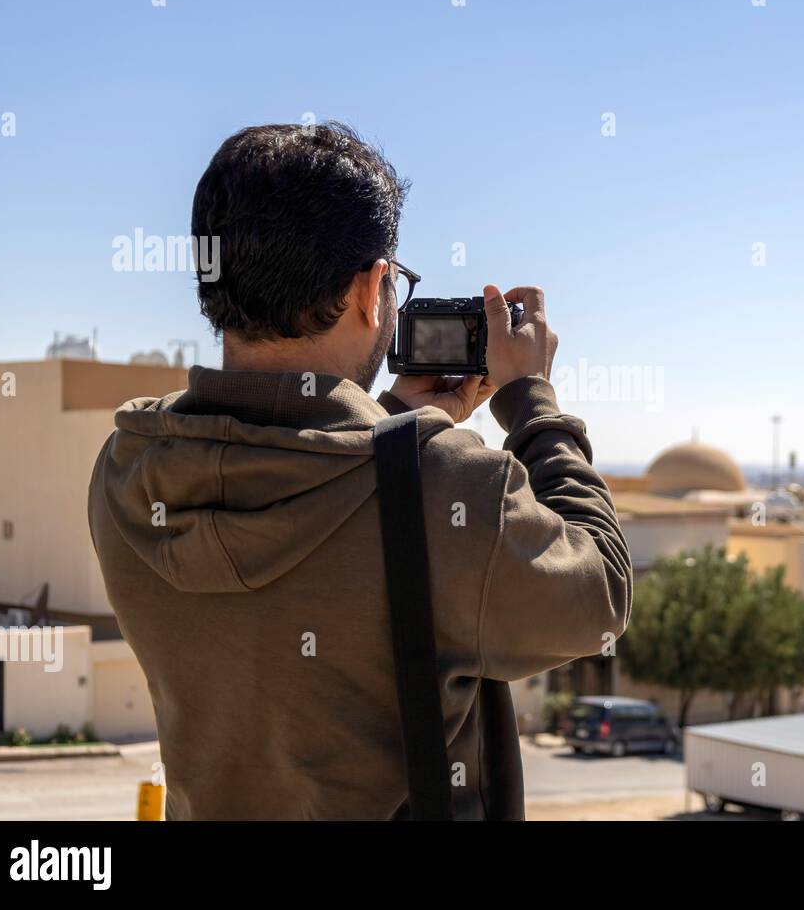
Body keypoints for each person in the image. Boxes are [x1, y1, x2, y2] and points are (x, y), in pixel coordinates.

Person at [87, 122, 632, 819]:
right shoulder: (451, 489)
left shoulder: (127, 469)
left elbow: (292, 493)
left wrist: (391, 431)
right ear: (372, 289)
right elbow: (602, 598)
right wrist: (534, 405)